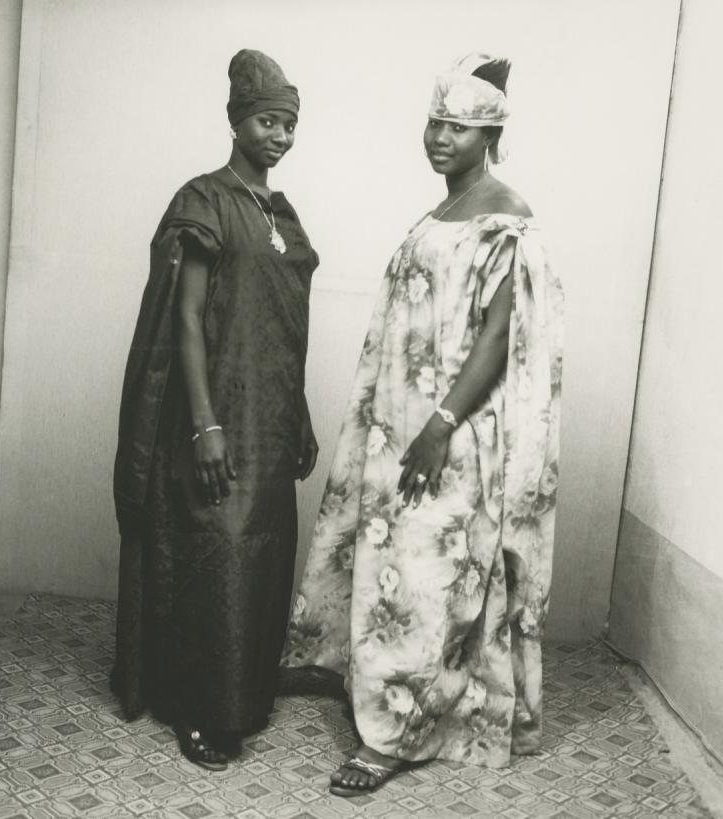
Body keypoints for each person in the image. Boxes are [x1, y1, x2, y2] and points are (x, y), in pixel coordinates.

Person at [281, 53, 564, 795]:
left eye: (458, 127)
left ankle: (397, 733)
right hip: (400, 422)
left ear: (489, 134)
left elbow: (501, 334)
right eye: (435, 123)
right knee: (392, 569)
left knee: (431, 577)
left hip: (454, 427)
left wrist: (441, 422)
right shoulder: (440, 212)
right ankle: (365, 683)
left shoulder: (509, 215)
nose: (440, 137)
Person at [111, 49, 319, 771]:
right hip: (217, 415)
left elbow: (284, 333)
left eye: (290, 124)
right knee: (216, 554)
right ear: (237, 121)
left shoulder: (282, 216)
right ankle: (199, 707)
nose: (281, 135)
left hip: (270, 418)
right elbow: (187, 319)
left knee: (259, 558)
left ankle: (244, 694)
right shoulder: (205, 201)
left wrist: (303, 414)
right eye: (268, 120)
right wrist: (203, 425)